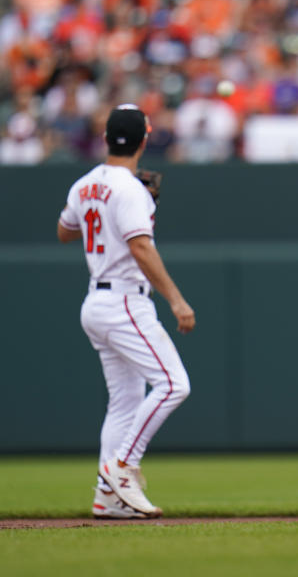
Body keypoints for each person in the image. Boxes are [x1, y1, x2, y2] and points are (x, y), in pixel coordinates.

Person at [57, 104, 194, 520]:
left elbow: (65, 231)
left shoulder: (84, 185)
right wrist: (176, 298)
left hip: (96, 302)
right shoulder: (130, 189)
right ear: (145, 138)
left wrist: (102, 212)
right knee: (173, 385)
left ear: (105, 139)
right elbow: (139, 246)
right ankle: (121, 466)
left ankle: (106, 497)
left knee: (125, 401)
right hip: (123, 301)